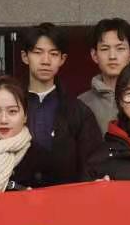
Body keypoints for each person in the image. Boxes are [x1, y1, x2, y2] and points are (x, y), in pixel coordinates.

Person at [18, 22, 101, 182]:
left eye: (54, 54)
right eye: (38, 52)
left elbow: (91, 165)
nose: (46, 61)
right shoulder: (10, 107)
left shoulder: (78, 111)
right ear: (25, 57)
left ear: (62, 59)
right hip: (17, 194)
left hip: (64, 194)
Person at [79, 17, 130, 133]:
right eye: (105, 49)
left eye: (120, 48)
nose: (112, 56)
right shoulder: (81, 104)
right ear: (94, 55)